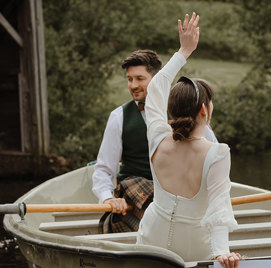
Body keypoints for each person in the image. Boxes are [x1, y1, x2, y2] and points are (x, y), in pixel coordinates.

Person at [137, 12, 240, 268]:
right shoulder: (217, 153)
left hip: (152, 243)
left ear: (171, 109)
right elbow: (219, 207)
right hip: (195, 250)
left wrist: (184, 51)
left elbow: (157, 85)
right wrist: (222, 253)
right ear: (204, 111)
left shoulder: (157, 138)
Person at [92, 49, 218, 233]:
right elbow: (103, 169)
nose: (133, 85)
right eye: (129, 79)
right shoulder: (118, 117)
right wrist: (108, 198)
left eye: (139, 78)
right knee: (148, 195)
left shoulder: (183, 110)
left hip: (178, 191)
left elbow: (213, 153)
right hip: (135, 196)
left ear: (158, 79)